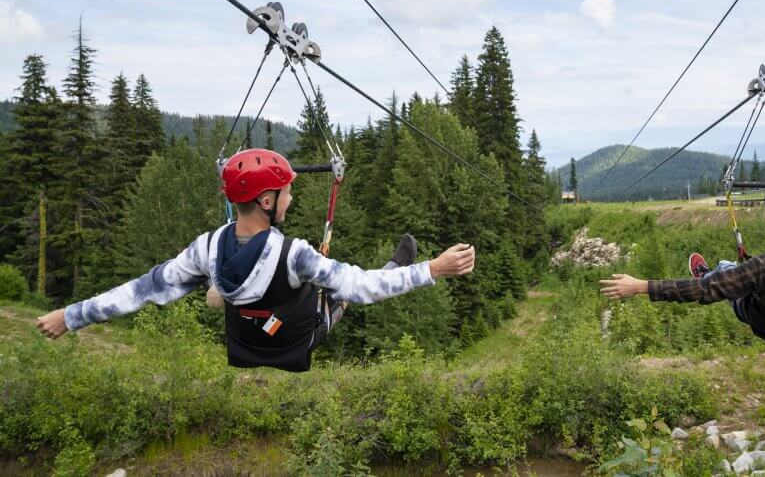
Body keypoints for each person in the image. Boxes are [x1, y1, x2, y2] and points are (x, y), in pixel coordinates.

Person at [35, 148, 476, 372]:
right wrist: (433, 269)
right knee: (344, 292)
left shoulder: (206, 248)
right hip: (295, 344)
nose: (291, 195)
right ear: (266, 200)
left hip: (246, 346)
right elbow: (363, 286)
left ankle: (229, 295)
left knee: (216, 293)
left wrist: (70, 316)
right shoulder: (294, 254)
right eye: (286, 192)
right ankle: (400, 263)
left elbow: (139, 292)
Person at [599, 185, 765, 390]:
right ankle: (719, 272)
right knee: (734, 271)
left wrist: (641, 286)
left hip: (762, 321)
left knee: (724, 269)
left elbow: (702, 291)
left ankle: (709, 272)